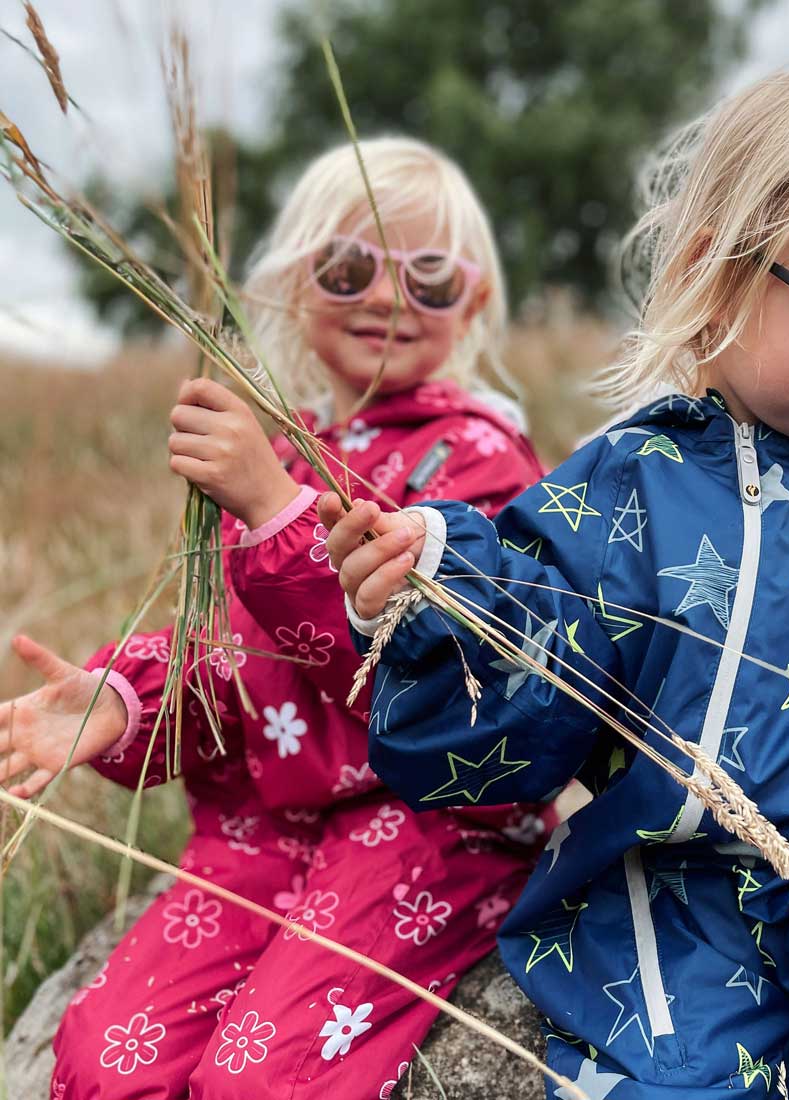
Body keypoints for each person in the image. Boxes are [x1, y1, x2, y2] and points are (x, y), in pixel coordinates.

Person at [322, 71, 789, 1098]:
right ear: (717, 269)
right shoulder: (619, 490)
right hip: (674, 888)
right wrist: (439, 601)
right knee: (675, 1079)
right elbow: (510, 716)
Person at [1, 135, 548, 1099]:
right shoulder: (285, 445)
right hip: (268, 823)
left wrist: (273, 510)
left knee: (260, 1077)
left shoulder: (482, 462)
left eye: (427, 276)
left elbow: (417, 669)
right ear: (298, 285)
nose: (386, 297)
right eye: (348, 269)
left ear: (476, 302)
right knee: (103, 1060)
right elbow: (236, 667)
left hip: (425, 821)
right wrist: (129, 704)